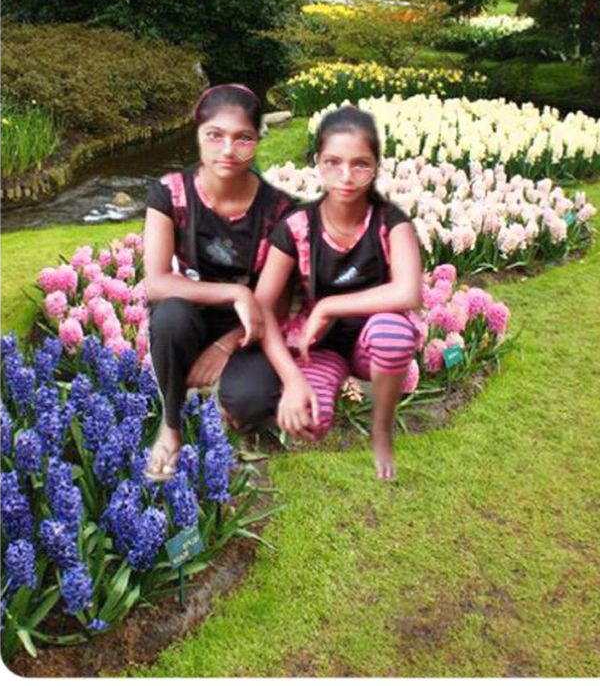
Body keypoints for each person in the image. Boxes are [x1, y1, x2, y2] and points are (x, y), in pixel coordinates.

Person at [254, 105, 423, 480]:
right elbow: (262, 308)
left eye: (360, 164)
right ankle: (320, 384)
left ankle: (381, 427)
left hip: (371, 342)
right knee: (308, 420)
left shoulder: (391, 223)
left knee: (393, 334)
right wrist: (292, 379)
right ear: (317, 161)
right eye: (333, 162)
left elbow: (408, 291)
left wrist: (328, 305)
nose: (346, 176)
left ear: (376, 166)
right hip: (321, 347)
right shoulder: (297, 226)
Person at [142, 83, 294, 480]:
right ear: (197, 134)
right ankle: (171, 425)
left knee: (252, 403)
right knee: (169, 317)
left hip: (252, 327)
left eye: (243, 138)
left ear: (257, 140)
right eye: (215, 135)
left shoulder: (280, 211)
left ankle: (225, 403)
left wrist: (225, 347)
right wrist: (234, 291)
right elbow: (156, 284)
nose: (228, 150)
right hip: (191, 312)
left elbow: (273, 305)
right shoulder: (169, 194)